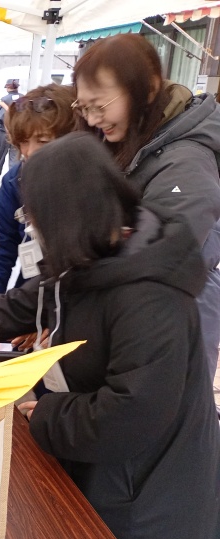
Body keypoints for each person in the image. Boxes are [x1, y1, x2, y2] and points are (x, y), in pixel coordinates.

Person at [0, 132, 220, 539]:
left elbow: (133, 412)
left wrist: (48, 413)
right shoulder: (97, 255)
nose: (32, 224)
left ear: (67, 213)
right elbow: (29, 301)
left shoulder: (148, 294)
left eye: (36, 213)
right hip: (104, 471)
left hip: (145, 500)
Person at [72, 33, 220, 379]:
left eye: (100, 106)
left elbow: (156, 260)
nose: (92, 120)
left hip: (169, 326)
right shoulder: (140, 144)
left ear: (148, 89)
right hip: (139, 318)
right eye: (84, 107)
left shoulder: (184, 162)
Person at [0, 83, 77, 303]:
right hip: (32, 300)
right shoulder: (14, 182)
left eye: (43, 141)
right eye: (23, 142)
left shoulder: (91, 184)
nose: (29, 152)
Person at [0, 78, 21, 182]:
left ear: (8, 88)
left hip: (4, 132)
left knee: (0, 154)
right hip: (17, 132)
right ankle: (13, 178)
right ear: (17, 87)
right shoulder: (24, 99)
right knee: (15, 156)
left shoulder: (3, 100)